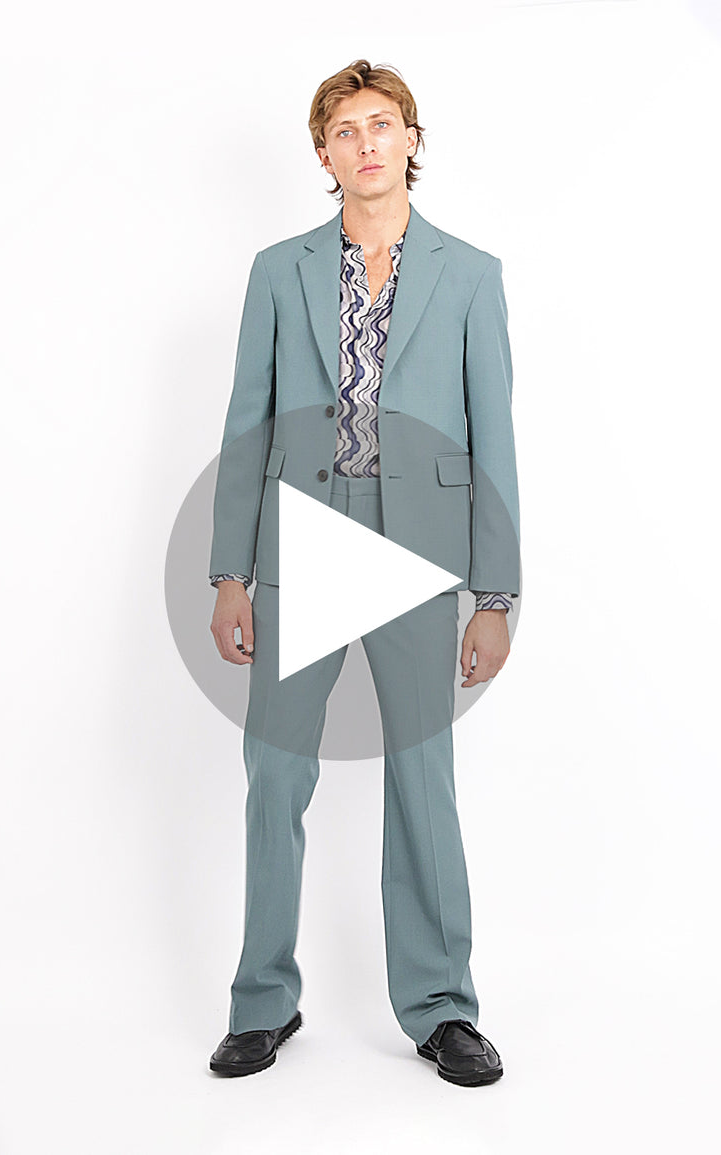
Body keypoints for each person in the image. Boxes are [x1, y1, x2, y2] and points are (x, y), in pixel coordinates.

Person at [207, 59, 520, 1086]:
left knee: (423, 780)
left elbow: (492, 441)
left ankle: (441, 1007)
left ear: (411, 140)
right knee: (274, 778)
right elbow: (247, 426)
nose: (366, 143)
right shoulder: (278, 271)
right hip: (302, 537)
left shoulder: (469, 275)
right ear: (324, 153)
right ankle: (262, 1002)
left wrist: (493, 594)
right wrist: (229, 573)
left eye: (382, 124)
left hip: (419, 548)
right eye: (345, 131)